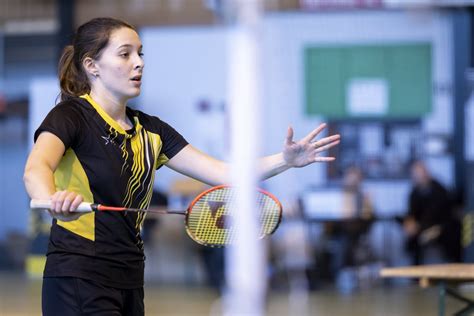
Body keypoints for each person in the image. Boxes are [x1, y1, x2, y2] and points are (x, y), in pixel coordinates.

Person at [23, 17, 341, 315]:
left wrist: (284, 160)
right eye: (125, 54)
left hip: (130, 274)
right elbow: (37, 168)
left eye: (140, 53)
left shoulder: (153, 130)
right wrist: (51, 201)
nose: (139, 63)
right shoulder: (70, 117)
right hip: (78, 272)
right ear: (92, 65)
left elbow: (224, 172)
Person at [403, 160, 461, 265]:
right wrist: (409, 222)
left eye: (421, 173)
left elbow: (438, 213)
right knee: (413, 241)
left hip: (442, 227)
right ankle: (417, 277)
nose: (419, 176)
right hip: (422, 229)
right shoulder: (414, 193)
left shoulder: (438, 189)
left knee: (451, 236)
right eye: (416, 174)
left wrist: (419, 226)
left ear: (426, 172)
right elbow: (411, 212)